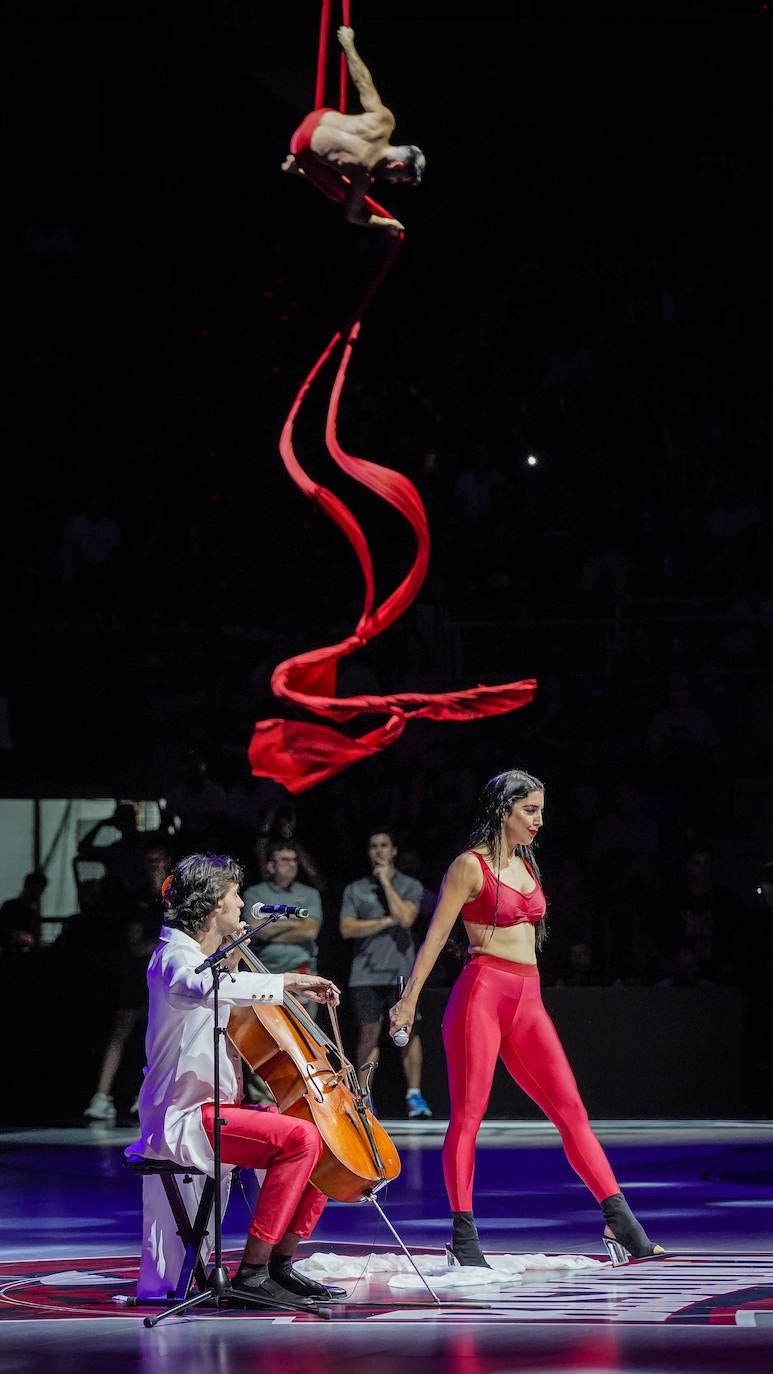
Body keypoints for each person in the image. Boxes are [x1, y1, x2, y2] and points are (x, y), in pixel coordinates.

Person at [389, 769, 665, 1268]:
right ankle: (464, 1237)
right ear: (503, 811)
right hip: (481, 995)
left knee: (571, 1112)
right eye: (530, 810)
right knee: (468, 1118)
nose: (540, 819)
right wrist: (409, 1000)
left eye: (541, 809)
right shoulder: (469, 867)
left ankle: (620, 1221)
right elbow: (434, 938)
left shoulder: (526, 863)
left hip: (529, 1001)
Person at [126, 852, 344, 1309]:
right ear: (211, 906)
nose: (243, 903)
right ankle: (253, 1270)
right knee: (300, 1139)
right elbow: (199, 988)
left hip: (218, 1113)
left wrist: (241, 967)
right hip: (183, 1119)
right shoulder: (173, 958)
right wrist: (284, 982)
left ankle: (280, 1263)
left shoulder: (211, 960)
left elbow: (231, 998)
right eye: (234, 896)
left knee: (322, 1130)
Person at [282, 25, 426, 234]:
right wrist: (389, 223)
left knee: (348, 187)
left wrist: (348, 43)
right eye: (399, 178)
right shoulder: (363, 176)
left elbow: (363, 83)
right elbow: (352, 216)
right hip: (301, 145)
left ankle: (303, 169)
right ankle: (301, 170)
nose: (394, 182)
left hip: (319, 116)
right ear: (397, 165)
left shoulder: (385, 122)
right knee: (344, 195)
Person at [339, 828, 432, 1119]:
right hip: (364, 974)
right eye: (373, 846)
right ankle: (365, 1097)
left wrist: (385, 882)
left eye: (384, 846)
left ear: (393, 851)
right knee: (369, 1032)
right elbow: (347, 928)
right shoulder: (355, 889)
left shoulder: (410, 885)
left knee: (408, 1031)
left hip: (402, 973)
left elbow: (405, 918)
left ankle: (414, 1097)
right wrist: (384, 921)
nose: (379, 851)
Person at [242, 841, 324, 1008]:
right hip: (264, 973)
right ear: (272, 866)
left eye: (294, 860)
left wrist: (271, 928)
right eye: (285, 860)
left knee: (302, 1031)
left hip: (301, 971)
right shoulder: (255, 893)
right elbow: (256, 930)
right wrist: (295, 923)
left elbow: (311, 931)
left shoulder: (309, 893)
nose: (292, 864)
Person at [0, 870, 48, 956]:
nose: (37, 894)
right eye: (34, 889)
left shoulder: (33, 913)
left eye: (39, 890)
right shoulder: (10, 907)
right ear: (26, 886)